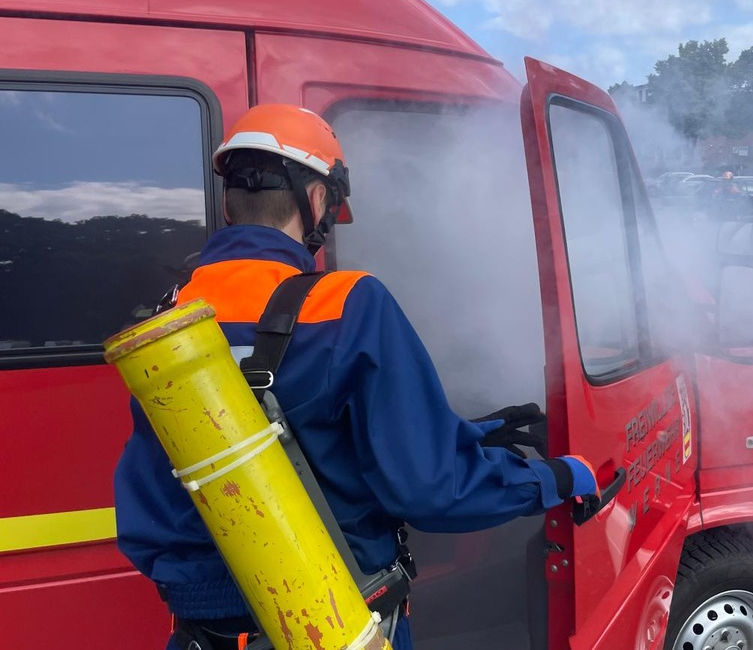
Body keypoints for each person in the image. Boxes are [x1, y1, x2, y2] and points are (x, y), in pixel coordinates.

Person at [113, 104, 598, 650]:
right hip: (336, 623)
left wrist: (469, 434)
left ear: (230, 201)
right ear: (317, 199)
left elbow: (179, 479)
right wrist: (555, 479)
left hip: (204, 634)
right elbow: (432, 489)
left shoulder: (171, 318)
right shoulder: (346, 304)